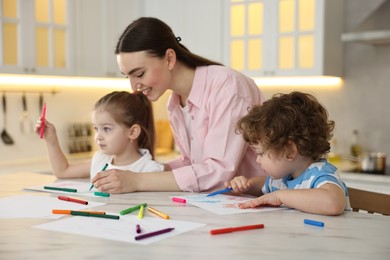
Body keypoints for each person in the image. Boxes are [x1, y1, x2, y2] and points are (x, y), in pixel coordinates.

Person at [91, 17, 267, 194]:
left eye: (140, 74)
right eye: (127, 76)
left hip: (263, 203)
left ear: (169, 58)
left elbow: (218, 172)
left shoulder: (228, 86)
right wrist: (146, 168)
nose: (133, 87)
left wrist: (138, 180)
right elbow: (190, 163)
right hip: (225, 204)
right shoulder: (174, 104)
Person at [225, 92, 350, 216]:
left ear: (290, 151)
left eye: (261, 153)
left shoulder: (320, 174)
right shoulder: (284, 178)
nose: (258, 160)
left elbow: (333, 203)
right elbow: (262, 184)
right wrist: (246, 185)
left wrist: (280, 196)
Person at [35, 91, 164, 182]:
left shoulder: (150, 170)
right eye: (96, 129)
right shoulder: (101, 160)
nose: (98, 136)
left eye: (106, 129)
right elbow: (62, 171)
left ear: (132, 132)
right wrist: (51, 140)